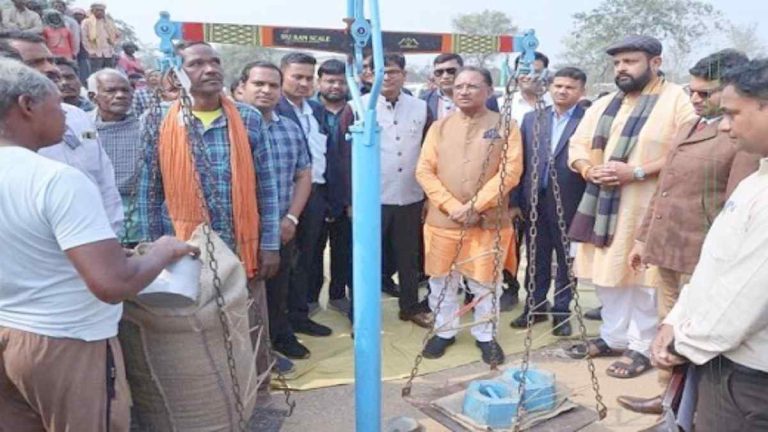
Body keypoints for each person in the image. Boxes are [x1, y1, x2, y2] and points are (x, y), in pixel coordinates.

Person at [0, 57, 197, 432]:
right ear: (26, 106)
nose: (67, 114)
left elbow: (30, 245)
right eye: (58, 105)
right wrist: (163, 250)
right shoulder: (57, 179)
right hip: (66, 341)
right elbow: (113, 284)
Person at [616, 50, 760, 415]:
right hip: (669, 246)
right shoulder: (688, 127)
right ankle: (668, 398)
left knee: (695, 336)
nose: (695, 99)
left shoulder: (742, 140)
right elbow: (664, 187)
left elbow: (736, 211)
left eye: (705, 93)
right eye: (691, 91)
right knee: (669, 325)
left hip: (703, 257)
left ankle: (691, 406)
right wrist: (643, 238)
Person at [137, 41, 281, 393]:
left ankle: (257, 395)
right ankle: (209, 398)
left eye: (214, 61)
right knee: (194, 329)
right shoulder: (156, 120)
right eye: (197, 64)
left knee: (249, 324)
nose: (211, 69)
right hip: (183, 248)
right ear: (177, 75)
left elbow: (267, 186)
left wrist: (270, 244)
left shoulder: (247, 118)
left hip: (241, 246)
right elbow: (149, 190)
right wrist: (152, 251)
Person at [565, 35, 696, 379]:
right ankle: (614, 337)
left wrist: (636, 171)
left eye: (630, 61)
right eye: (617, 63)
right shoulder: (605, 103)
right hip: (602, 206)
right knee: (608, 276)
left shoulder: (676, 100)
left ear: (655, 62)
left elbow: (686, 150)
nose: (621, 69)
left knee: (642, 278)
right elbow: (578, 144)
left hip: (647, 206)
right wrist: (588, 169)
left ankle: (641, 345)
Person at [650, 58, 768, 432]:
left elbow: (747, 294)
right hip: (720, 358)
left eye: (733, 114)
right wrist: (675, 320)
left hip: (748, 378)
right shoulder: (758, 179)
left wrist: (682, 343)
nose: (726, 126)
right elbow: (717, 265)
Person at [416, 66, 523, 364]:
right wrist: (452, 206)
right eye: (459, 86)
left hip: (487, 220)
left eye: (472, 86)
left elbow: (511, 171)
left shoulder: (506, 125)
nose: (463, 91)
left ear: (488, 91)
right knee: (442, 279)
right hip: (444, 220)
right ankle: (444, 331)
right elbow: (424, 171)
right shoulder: (439, 127)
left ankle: (486, 335)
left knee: (486, 281)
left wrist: (476, 205)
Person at [1, 30, 123, 234]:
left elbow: (103, 178)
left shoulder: (77, 116)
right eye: (35, 63)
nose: (51, 68)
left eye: (50, 60)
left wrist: (111, 233)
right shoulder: (8, 133)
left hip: (99, 239)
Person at [238, 60, 313, 363]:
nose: (266, 90)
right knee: (243, 294)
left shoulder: (289, 128)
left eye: (273, 85)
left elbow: (303, 173)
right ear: (242, 88)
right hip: (239, 230)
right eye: (259, 84)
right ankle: (254, 354)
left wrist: (291, 218)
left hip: (281, 227)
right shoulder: (229, 128)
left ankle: (280, 337)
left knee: (278, 288)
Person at [509, 67, 588, 337]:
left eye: (570, 87)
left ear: (581, 91)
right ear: (550, 88)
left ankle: (562, 312)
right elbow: (519, 162)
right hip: (534, 201)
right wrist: (515, 200)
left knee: (567, 260)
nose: (562, 91)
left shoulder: (588, 120)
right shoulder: (532, 118)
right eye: (558, 86)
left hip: (572, 201)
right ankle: (535, 306)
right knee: (536, 257)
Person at [364, 53, 434, 328]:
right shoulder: (357, 106)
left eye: (393, 71)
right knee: (367, 259)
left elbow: (430, 152)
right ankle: (362, 314)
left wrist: (428, 196)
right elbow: (342, 158)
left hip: (410, 196)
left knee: (409, 257)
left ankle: (410, 307)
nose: (387, 77)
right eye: (379, 71)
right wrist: (350, 200)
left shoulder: (421, 107)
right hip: (372, 198)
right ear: (368, 75)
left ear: (404, 75)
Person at [275, 52, 337, 337]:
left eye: (308, 78)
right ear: (282, 76)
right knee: (283, 262)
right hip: (285, 197)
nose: (303, 83)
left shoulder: (315, 110)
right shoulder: (273, 110)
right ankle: (280, 325)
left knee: (308, 259)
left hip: (316, 194)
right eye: (296, 77)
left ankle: (300, 315)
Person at [314, 58, 355, 316]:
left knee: (343, 248)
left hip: (347, 193)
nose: (336, 86)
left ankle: (338, 295)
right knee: (312, 249)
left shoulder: (356, 109)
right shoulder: (308, 110)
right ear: (319, 82)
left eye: (341, 81)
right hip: (314, 192)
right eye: (330, 81)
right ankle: (309, 299)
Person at [89, 68, 144, 245]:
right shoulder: (81, 127)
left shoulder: (146, 126)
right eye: (111, 91)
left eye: (125, 90)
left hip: (138, 217)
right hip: (96, 214)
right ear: (93, 97)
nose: (120, 95)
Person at [421, 53, 499, 120]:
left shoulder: (487, 99)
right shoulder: (424, 101)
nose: (445, 76)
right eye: (439, 72)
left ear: (462, 71)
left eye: (451, 71)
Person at [508, 51, 553, 125]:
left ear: (545, 74)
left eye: (536, 72)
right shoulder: (501, 104)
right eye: (524, 71)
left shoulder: (555, 102)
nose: (529, 76)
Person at [80, 3, 119, 72]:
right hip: (95, 54)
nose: (100, 12)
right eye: (97, 10)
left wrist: (113, 43)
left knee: (109, 73)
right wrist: (90, 51)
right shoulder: (86, 22)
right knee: (95, 74)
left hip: (108, 53)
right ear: (92, 11)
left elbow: (118, 35)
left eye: (102, 10)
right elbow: (84, 38)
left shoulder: (108, 22)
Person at [70, 7, 90, 82]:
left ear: (84, 16)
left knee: (84, 69)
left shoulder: (88, 25)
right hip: (72, 50)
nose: (78, 16)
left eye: (80, 14)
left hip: (83, 50)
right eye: (76, 14)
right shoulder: (70, 25)